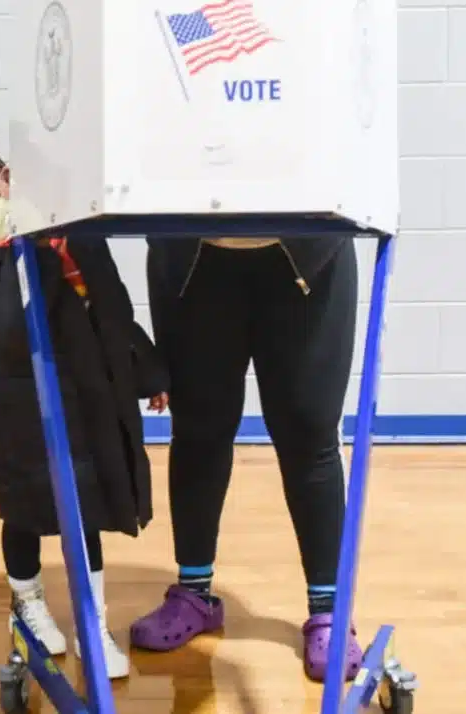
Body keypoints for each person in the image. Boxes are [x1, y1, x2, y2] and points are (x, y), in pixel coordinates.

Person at [0, 120, 169, 680]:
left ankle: (92, 621)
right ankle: (26, 599)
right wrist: (20, 254)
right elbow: (1, 330)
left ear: (6, 181)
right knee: (25, 508)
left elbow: (111, 305)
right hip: (18, 406)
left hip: (86, 394)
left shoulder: (69, 229)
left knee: (88, 507)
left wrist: (146, 368)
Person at [129, 232, 363, 682]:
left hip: (307, 250)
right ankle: (194, 593)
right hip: (193, 251)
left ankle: (329, 610)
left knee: (309, 431)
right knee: (198, 427)